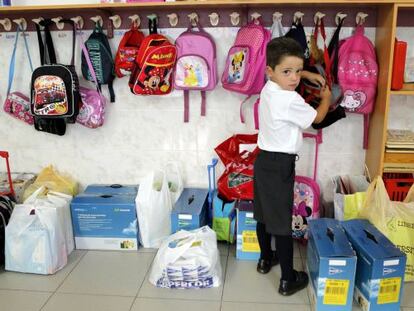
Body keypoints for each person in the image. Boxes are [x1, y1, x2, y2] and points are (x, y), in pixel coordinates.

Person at [253, 36, 331, 296]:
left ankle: (266, 259)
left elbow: (286, 72)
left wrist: (303, 71)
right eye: (288, 72)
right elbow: (318, 118)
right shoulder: (290, 99)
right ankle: (288, 279)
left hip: (263, 160)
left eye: (298, 71)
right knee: (282, 223)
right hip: (280, 166)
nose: (295, 78)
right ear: (271, 71)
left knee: (264, 216)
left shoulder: (269, 87)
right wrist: (326, 98)